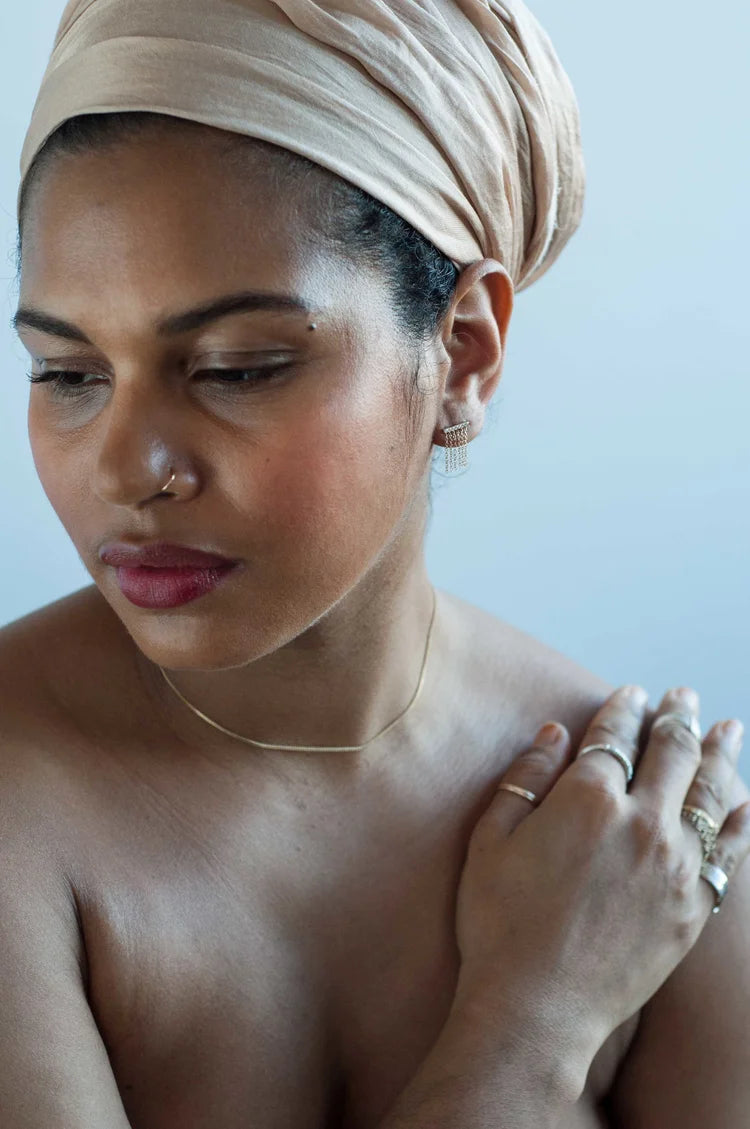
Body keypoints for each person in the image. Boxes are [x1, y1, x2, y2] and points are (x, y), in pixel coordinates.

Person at [3, 0, 748, 1126]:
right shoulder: (19, 804)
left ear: (464, 351)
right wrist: (533, 1026)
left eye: (237, 367)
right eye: (67, 374)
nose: (129, 469)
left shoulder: (643, 832)